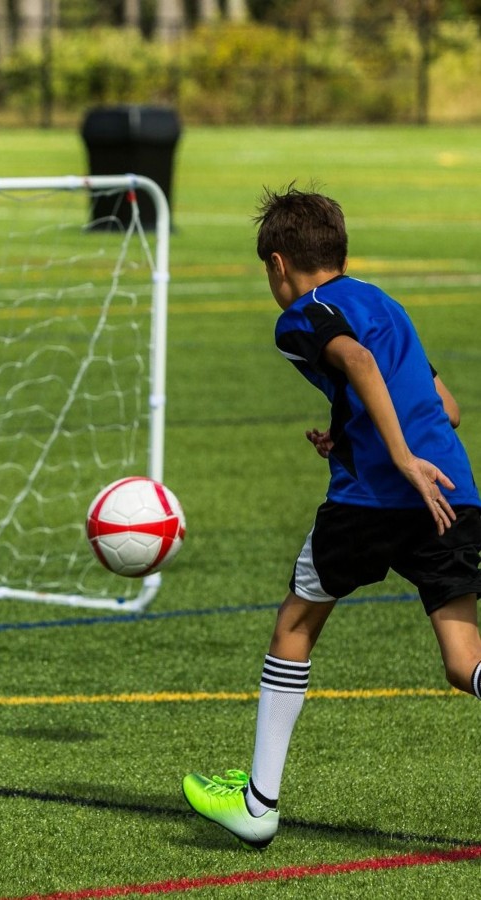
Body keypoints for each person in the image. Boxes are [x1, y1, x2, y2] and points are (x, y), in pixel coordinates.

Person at [181, 184, 481, 850]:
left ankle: (258, 804)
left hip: (373, 501)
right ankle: (256, 800)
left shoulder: (302, 317)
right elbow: (447, 408)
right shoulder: (386, 303)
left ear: (278, 263)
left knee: (295, 621)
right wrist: (353, 432)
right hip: (453, 493)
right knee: (465, 665)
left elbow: (356, 360)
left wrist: (396, 456)